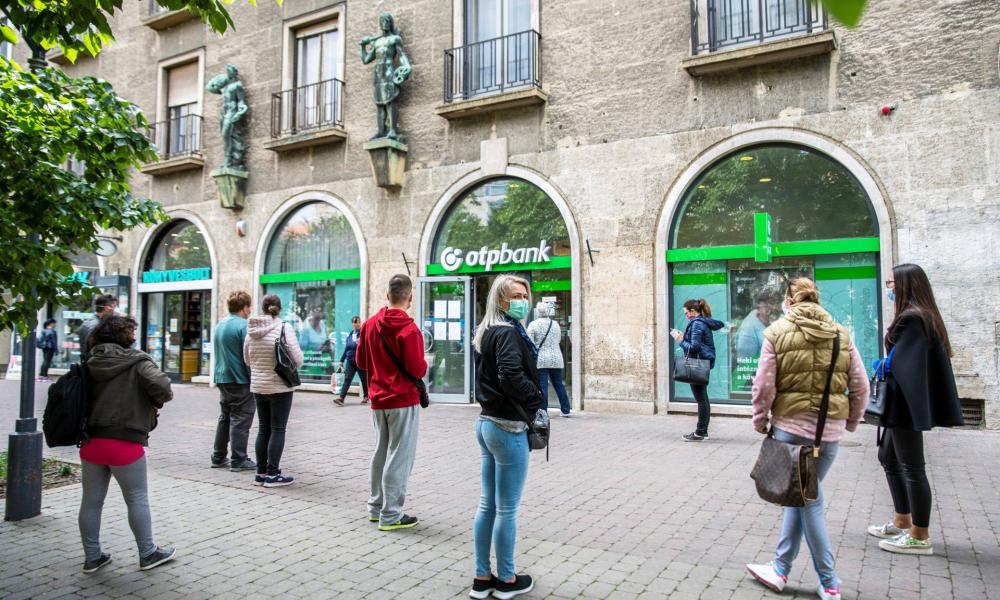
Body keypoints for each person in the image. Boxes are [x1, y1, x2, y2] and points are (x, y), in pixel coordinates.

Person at [745, 278, 868, 600]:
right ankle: (780, 567)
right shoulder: (841, 334)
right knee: (799, 497)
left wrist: (760, 420)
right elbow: (860, 385)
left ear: (789, 300)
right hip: (829, 434)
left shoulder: (776, 332)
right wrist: (850, 421)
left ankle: (829, 582)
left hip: (791, 431)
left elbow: (763, 385)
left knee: (809, 502)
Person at [867, 264, 963, 556]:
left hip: (903, 405)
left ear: (906, 285)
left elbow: (905, 366)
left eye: (891, 283)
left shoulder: (913, 319)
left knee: (912, 467)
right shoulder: (921, 316)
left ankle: (920, 535)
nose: (889, 288)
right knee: (888, 457)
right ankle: (902, 520)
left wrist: (884, 366)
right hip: (901, 404)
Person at [78, 315, 176, 573]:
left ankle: (92, 557)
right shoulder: (137, 361)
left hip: (91, 441)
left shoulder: (90, 361)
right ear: (126, 335)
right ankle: (148, 553)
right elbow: (164, 387)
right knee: (136, 497)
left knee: (91, 502)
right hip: (124, 441)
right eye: (132, 331)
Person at [469, 274, 542, 600]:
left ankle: (482, 578)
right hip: (508, 427)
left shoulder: (487, 331)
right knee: (507, 509)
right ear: (500, 300)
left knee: (488, 505)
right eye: (516, 295)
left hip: (487, 423)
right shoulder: (509, 333)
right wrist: (535, 397)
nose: (522, 301)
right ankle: (507, 580)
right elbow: (510, 374)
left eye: (525, 295)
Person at [355, 275, 426, 531]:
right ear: (410, 297)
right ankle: (391, 514)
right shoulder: (410, 329)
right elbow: (417, 369)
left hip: (378, 399)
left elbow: (361, 362)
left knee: (381, 452)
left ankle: (375, 507)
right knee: (400, 456)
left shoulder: (369, 325)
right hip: (403, 400)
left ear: (387, 295)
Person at [244, 294, 304, 488]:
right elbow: (298, 359)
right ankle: (272, 474)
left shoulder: (251, 330)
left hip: (258, 386)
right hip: (279, 386)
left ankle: (260, 473)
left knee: (263, 429)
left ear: (263, 308)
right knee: (278, 428)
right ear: (279, 308)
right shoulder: (284, 328)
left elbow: (247, 360)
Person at [210, 291, 256, 472]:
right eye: (249, 307)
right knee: (241, 419)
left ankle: (218, 456)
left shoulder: (220, 324)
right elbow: (249, 356)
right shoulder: (243, 326)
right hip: (239, 379)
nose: (249, 310)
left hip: (222, 377)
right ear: (244, 308)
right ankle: (239, 459)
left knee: (225, 417)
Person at [671, 299, 725, 441]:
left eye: (686, 313)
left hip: (696, 365)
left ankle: (700, 432)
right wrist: (685, 337)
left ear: (693, 311)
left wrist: (680, 340)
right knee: (703, 398)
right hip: (701, 363)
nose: (686, 316)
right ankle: (702, 431)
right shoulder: (702, 322)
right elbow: (698, 343)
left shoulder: (697, 324)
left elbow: (694, 347)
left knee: (701, 400)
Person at [527, 302, 571, 417]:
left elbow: (529, 342)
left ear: (538, 311)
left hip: (541, 359)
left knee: (543, 386)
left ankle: (543, 412)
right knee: (559, 384)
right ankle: (566, 410)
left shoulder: (533, 324)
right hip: (556, 358)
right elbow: (558, 339)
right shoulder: (555, 324)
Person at [333, 315, 369, 407]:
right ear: (352, 323)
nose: (356, 324)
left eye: (357, 322)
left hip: (360, 360)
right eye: (354, 322)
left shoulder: (363, 333)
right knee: (347, 379)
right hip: (350, 361)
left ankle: (366, 396)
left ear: (360, 323)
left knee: (364, 379)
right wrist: (341, 360)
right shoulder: (350, 335)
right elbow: (347, 348)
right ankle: (341, 398)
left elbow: (366, 345)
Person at [77, 294, 118, 362]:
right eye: (115, 307)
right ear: (107, 308)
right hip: (95, 364)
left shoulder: (91, 322)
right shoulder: (96, 325)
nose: (115, 311)